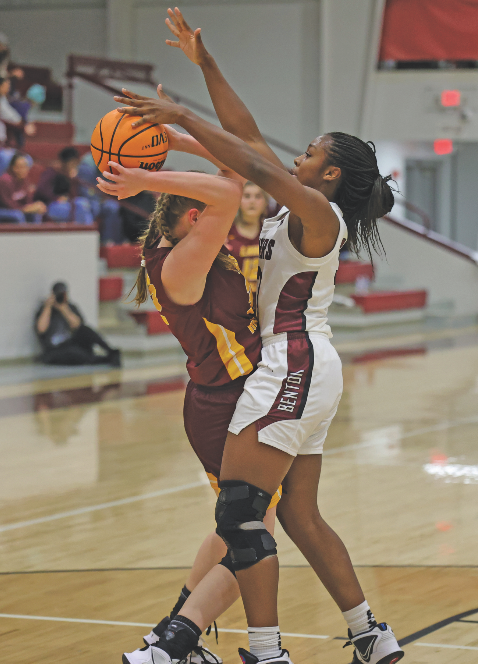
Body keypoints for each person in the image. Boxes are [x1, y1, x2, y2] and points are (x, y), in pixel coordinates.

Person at [112, 8, 404, 664]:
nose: (293, 156)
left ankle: (267, 653)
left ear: (328, 175)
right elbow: (243, 136)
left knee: (241, 516)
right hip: (308, 367)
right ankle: (369, 634)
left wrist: (184, 121)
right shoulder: (301, 203)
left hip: (291, 359)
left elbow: (246, 157)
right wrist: (205, 64)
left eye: (307, 153)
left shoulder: (317, 211)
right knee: (298, 516)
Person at [96, 129, 282, 664]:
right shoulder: (179, 263)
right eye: (213, 216)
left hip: (224, 399)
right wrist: (145, 179)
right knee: (254, 541)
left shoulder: (176, 246)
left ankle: (169, 636)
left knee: (236, 530)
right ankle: (174, 645)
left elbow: (232, 178)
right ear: (195, 218)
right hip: (226, 404)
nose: (224, 223)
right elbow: (229, 192)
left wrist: (178, 138)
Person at [35, 282, 121, 367]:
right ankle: (102, 359)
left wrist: (64, 309)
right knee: (74, 353)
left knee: (86, 330)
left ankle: (111, 351)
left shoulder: (70, 308)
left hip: (71, 342)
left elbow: (77, 326)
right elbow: (41, 329)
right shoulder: (45, 309)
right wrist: (48, 307)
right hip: (55, 349)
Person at [226, 181, 268, 296]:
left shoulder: (272, 232)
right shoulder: (225, 233)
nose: (252, 201)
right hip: (233, 300)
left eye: (258, 196)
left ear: (265, 202)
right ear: (238, 201)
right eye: (247, 196)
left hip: (263, 301)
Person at [35, 146, 94, 223]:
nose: (74, 166)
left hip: (69, 205)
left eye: (75, 163)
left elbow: (75, 195)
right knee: (80, 205)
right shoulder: (51, 172)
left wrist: (72, 179)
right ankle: (85, 230)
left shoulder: (74, 175)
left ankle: (85, 230)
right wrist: (56, 198)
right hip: (50, 206)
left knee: (83, 203)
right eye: (72, 163)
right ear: (64, 162)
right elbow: (41, 190)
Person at [0, 151, 46, 223]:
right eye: (20, 167)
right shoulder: (4, 181)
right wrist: (27, 209)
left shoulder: (24, 180)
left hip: (18, 209)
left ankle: (36, 233)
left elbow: (27, 200)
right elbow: (8, 205)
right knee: (18, 215)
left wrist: (34, 206)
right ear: (13, 168)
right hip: (4, 210)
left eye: (25, 166)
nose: (24, 170)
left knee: (36, 213)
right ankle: (22, 234)